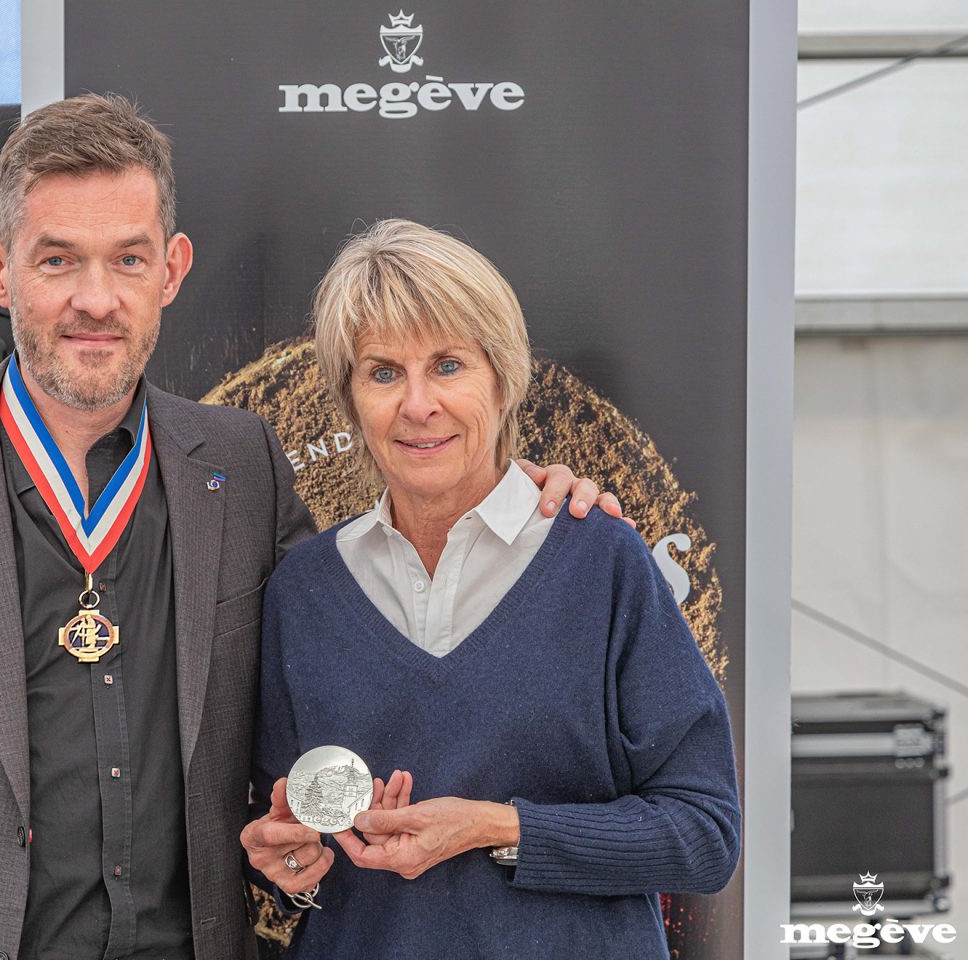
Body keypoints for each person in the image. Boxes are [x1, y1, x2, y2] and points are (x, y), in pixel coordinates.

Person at [0, 96, 620, 960]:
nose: (97, 299)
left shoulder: (243, 465)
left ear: (171, 268)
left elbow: (360, 638)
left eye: (127, 260)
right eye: (58, 262)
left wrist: (513, 497)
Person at [241, 219, 740, 959]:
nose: (417, 404)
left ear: (502, 380)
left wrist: (495, 827)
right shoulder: (304, 592)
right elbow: (289, 843)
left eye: (448, 366)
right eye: (383, 372)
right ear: (350, 402)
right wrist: (288, 865)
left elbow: (704, 836)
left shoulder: (603, 563)